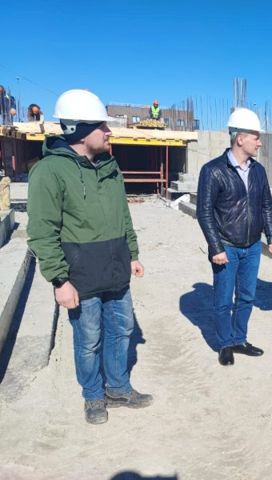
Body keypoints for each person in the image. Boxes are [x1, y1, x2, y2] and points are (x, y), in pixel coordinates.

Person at [27, 89, 153, 425]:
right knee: (88, 339)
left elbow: (123, 215)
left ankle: (118, 387)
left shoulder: (110, 167)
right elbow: (41, 232)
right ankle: (94, 395)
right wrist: (59, 280)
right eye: (102, 126)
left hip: (116, 267)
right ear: (80, 131)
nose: (109, 132)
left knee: (122, 329)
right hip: (80, 275)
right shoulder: (50, 171)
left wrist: (132, 254)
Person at [196, 107, 272, 366]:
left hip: (252, 246)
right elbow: (204, 212)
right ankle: (225, 343)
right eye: (256, 137)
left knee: (247, 297)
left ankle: (239, 339)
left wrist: (271, 236)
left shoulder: (258, 171)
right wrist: (216, 247)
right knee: (223, 299)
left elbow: (266, 205)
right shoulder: (213, 170)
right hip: (227, 246)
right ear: (240, 138)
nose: (260, 142)